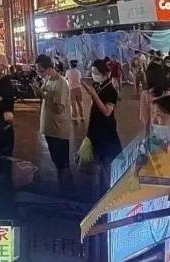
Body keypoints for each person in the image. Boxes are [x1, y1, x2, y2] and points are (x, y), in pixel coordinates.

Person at [36, 54, 73, 194]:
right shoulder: (48, 81)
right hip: (49, 128)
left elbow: (59, 109)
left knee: (62, 164)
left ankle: (67, 191)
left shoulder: (61, 83)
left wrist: (43, 95)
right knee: (57, 162)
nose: (40, 74)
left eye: (41, 70)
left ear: (50, 68)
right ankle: (62, 188)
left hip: (59, 130)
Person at [82, 59, 122, 186]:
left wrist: (94, 95)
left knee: (108, 159)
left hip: (106, 129)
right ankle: (102, 185)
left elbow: (107, 112)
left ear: (105, 74)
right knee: (97, 158)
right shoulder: (96, 85)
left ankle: (111, 185)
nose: (93, 75)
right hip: (95, 127)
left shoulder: (111, 90)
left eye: (96, 73)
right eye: (92, 72)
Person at [0, 54, 16, 200]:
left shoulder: (4, 83)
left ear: (1, 67)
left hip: (4, 129)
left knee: (4, 163)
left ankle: (6, 197)